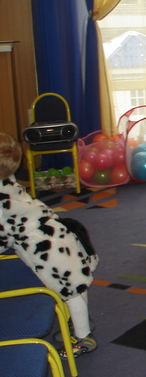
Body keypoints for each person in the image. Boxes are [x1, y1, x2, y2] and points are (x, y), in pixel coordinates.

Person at [0, 132, 99, 357]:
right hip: (59, 235)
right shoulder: (9, 183)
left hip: (47, 250)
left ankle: (84, 339)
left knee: (70, 290)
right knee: (76, 283)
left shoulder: (1, 201)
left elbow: (3, 236)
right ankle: (81, 323)